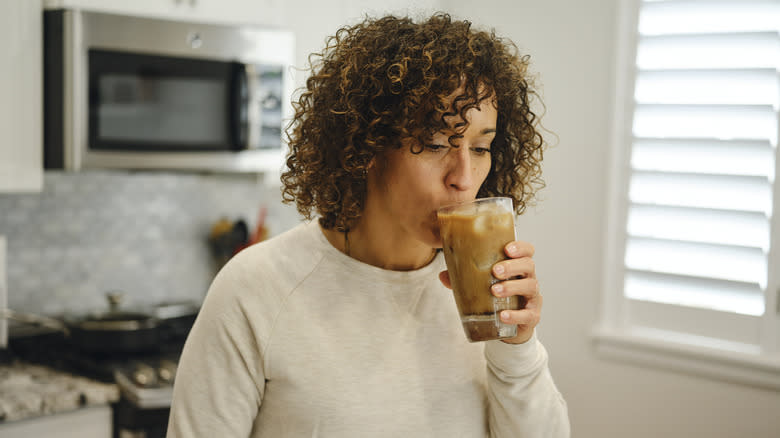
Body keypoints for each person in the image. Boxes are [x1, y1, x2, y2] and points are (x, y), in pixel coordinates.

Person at [167, 12, 569, 437]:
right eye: (435, 143)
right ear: (367, 144)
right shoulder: (256, 288)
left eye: (482, 146)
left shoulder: (487, 299)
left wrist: (517, 347)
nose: (464, 178)